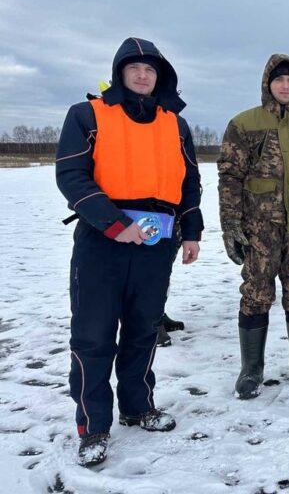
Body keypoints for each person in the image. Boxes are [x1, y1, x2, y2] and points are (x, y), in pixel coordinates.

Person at [55, 37, 204, 467]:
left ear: (161, 76)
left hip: (157, 243)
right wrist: (115, 224)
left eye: (151, 69)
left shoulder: (175, 124)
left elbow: (189, 183)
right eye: (134, 68)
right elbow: (72, 177)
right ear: (120, 71)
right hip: (103, 242)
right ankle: (94, 425)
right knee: (93, 335)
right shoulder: (88, 115)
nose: (143, 75)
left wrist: (190, 231)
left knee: (143, 329)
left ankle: (138, 406)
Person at [218, 53, 289, 399]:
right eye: (279, 80)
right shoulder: (243, 125)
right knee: (256, 294)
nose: (285, 86)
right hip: (260, 227)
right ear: (268, 83)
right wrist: (231, 224)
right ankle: (251, 368)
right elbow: (230, 178)